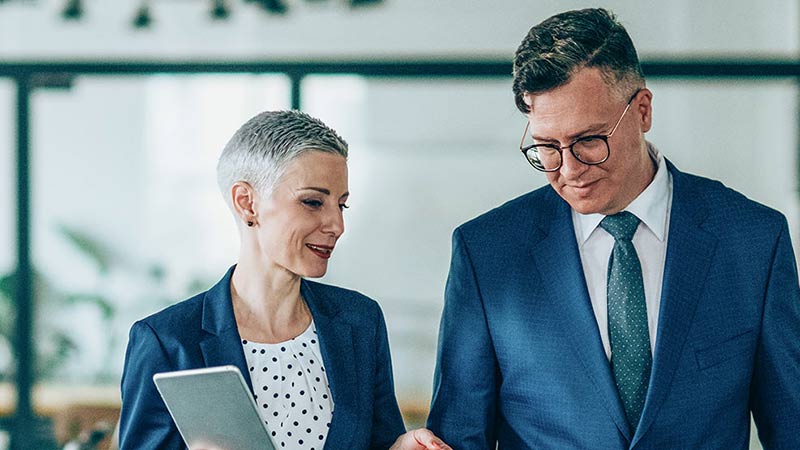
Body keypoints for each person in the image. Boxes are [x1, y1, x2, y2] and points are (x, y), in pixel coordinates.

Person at [427, 7, 800, 450]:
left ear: (642, 110)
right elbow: (458, 435)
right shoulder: (486, 252)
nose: (569, 169)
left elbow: (791, 426)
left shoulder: (754, 240)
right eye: (547, 147)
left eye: (588, 140)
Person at [119, 110, 450, 450]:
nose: (336, 225)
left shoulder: (360, 321)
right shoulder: (168, 341)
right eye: (312, 202)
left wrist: (401, 447)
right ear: (247, 203)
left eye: (342, 205)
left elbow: (378, 443)